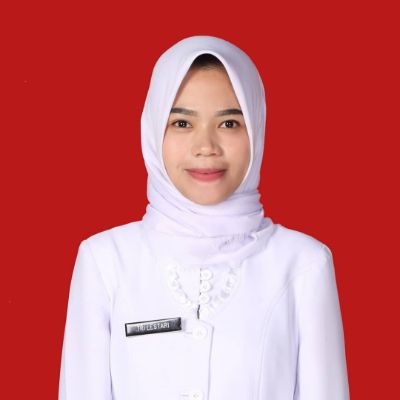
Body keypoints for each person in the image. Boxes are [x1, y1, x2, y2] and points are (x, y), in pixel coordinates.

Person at [58, 35, 350, 400]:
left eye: (229, 124)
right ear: (153, 130)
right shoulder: (106, 261)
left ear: (256, 129)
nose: (206, 147)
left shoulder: (303, 264)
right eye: (182, 123)